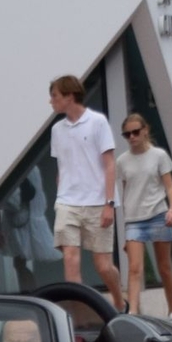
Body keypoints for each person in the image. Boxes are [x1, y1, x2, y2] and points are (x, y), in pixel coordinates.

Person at [47, 76, 124, 309]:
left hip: (98, 202)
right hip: (67, 203)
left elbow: (110, 163)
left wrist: (109, 203)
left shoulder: (97, 122)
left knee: (102, 265)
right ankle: (77, 317)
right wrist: (60, 195)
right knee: (70, 258)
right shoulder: (57, 130)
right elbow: (62, 166)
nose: (51, 101)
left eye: (55, 96)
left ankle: (120, 304)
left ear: (69, 97)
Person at [116, 114, 172, 319]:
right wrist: (126, 227)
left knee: (164, 267)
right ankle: (133, 313)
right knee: (134, 268)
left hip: (158, 214)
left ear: (145, 130)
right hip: (134, 220)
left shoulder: (159, 155)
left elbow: (170, 186)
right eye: (127, 134)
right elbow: (126, 191)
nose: (132, 137)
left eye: (135, 132)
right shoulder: (122, 161)